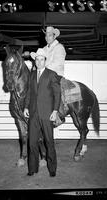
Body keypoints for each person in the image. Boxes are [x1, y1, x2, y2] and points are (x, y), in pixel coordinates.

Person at [23, 48, 61, 177]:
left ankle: (52, 168)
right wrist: (26, 107)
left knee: (49, 141)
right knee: (32, 142)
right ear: (35, 61)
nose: (39, 62)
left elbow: (57, 93)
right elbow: (29, 92)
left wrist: (55, 111)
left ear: (45, 60)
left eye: (41, 59)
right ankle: (32, 168)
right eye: (37, 59)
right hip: (33, 114)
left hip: (46, 113)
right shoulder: (32, 75)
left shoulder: (52, 74)